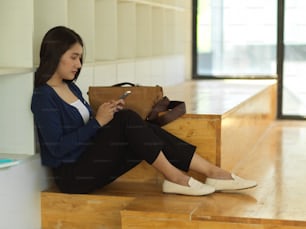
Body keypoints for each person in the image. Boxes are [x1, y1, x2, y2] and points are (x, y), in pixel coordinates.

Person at [31, 26, 256, 195]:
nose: (79, 64)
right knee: (129, 120)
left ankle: (212, 173)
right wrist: (98, 122)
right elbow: (57, 149)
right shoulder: (43, 97)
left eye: (80, 58)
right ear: (55, 54)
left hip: (90, 161)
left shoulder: (70, 86)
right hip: (74, 177)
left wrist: (106, 114)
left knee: (139, 126)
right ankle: (176, 177)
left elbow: (87, 129)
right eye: (73, 57)